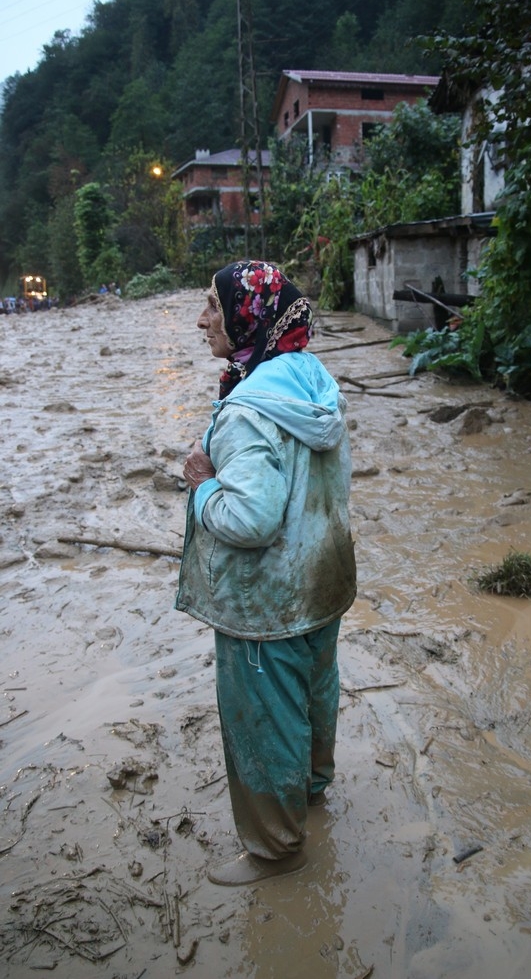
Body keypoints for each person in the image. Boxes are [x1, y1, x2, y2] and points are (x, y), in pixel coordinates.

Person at [176, 260, 357, 886]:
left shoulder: (247, 409)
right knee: (313, 693)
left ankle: (276, 850)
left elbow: (250, 521)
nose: (202, 321)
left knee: (263, 718)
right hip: (323, 580)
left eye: (213, 307)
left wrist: (201, 488)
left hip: (267, 603)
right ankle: (309, 792)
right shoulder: (309, 375)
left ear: (247, 316)